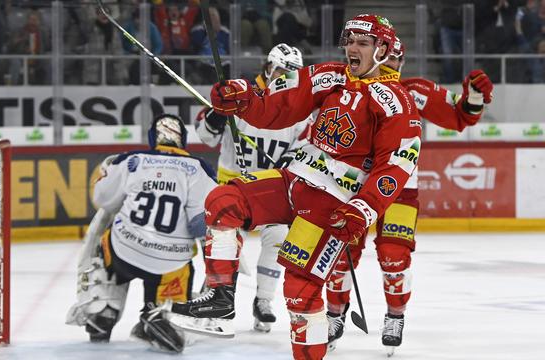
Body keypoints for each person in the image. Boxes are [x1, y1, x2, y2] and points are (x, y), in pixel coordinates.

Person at [171, 14, 422, 360]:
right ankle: (221, 297)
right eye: (349, 41)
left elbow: (396, 165)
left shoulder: (396, 102)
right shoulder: (330, 75)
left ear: (381, 50)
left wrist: (364, 208)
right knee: (223, 199)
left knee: (299, 290)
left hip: (331, 207)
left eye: (362, 43)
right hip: (294, 180)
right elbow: (279, 106)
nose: (352, 48)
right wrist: (244, 100)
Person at [325, 38, 494, 357]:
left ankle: (395, 316)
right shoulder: (345, 87)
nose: (390, 69)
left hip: (399, 190)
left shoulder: (414, 91)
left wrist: (473, 96)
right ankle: (334, 314)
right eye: (387, 61)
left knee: (394, 257)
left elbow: (461, 115)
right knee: (339, 256)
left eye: (396, 63)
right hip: (351, 188)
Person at [65, 114, 217, 353]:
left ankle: (104, 308)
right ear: (183, 141)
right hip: (170, 264)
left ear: (152, 139)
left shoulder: (131, 161)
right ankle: (160, 314)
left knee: (104, 233)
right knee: (184, 265)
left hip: (123, 251)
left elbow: (103, 200)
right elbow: (204, 224)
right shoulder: (198, 168)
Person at [195, 43, 309, 332]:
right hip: (233, 187)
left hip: (270, 190)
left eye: (292, 72)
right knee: (224, 241)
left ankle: (264, 301)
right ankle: (214, 298)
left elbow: (304, 147)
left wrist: (289, 160)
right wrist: (219, 113)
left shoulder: (298, 108)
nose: (286, 76)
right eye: (282, 70)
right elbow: (205, 135)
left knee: (279, 237)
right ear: (268, 67)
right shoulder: (241, 95)